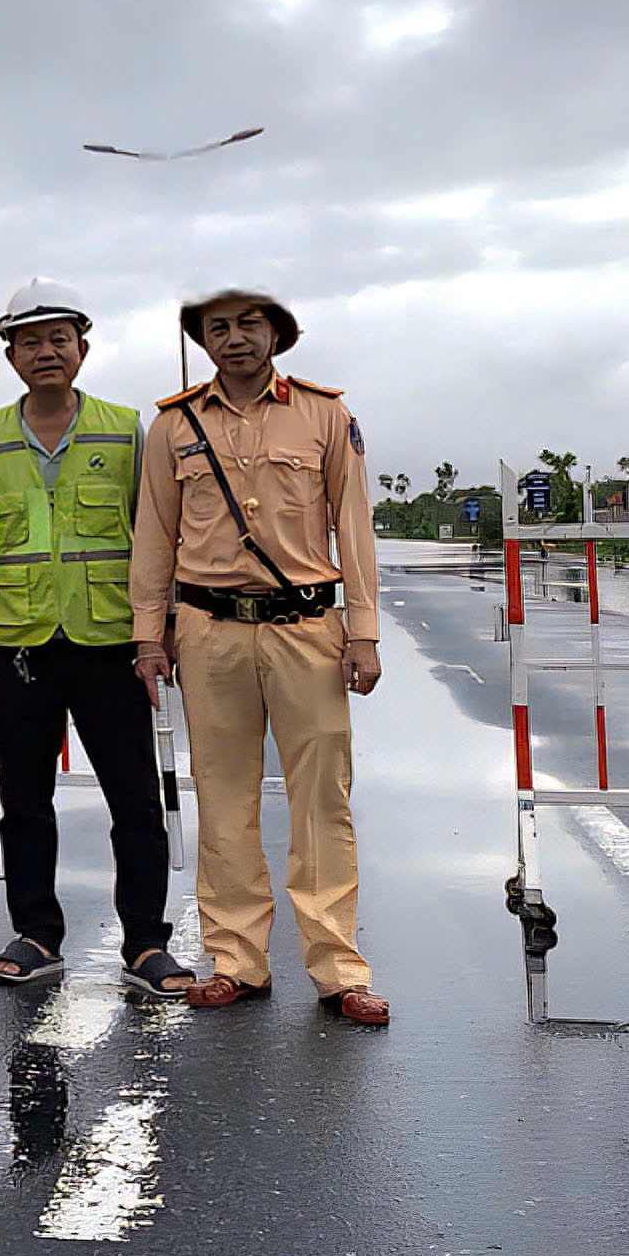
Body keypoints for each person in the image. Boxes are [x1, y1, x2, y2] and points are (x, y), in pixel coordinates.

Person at [128, 289, 391, 1026]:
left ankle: (338, 966)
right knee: (223, 797)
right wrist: (150, 635)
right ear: (202, 339)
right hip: (209, 630)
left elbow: (353, 524)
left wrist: (362, 631)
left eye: (249, 324)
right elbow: (155, 533)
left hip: (306, 626)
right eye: (219, 328)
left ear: (277, 332)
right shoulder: (173, 425)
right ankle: (236, 959)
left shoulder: (326, 415)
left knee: (321, 799)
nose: (235, 338)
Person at [0, 279, 192, 998]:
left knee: (134, 799)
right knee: (23, 799)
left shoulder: (125, 429)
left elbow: (154, 534)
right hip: (19, 641)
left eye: (59, 338)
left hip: (109, 642)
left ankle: (146, 943)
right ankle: (36, 934)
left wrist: (159, 629)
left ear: (83, 349)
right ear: (11, 356)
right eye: (30, 341)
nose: (46, 352)